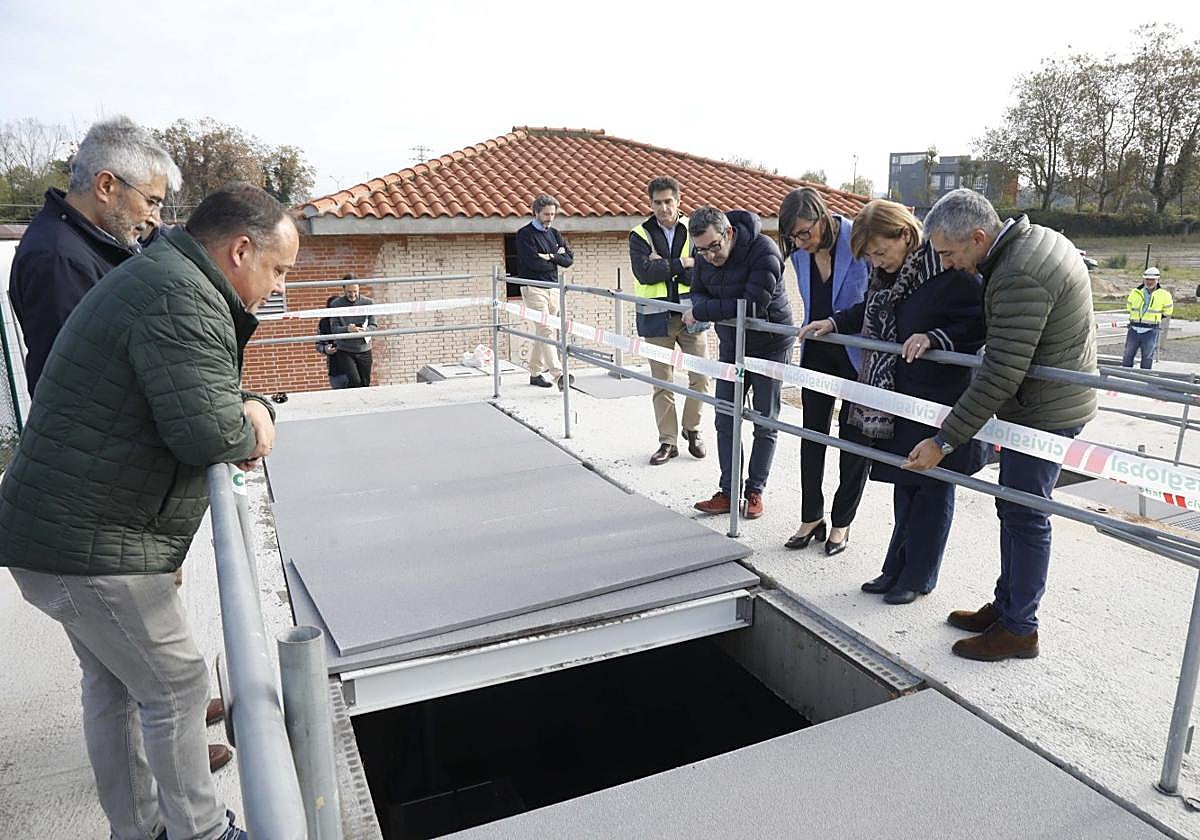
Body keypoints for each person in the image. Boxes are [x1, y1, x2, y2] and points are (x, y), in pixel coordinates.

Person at [0, 182, 299, 840]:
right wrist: (254, 423)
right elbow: (206, 430)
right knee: (177, 688)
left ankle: (140, 830)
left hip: (62, 532)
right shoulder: (181, 296)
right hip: (92, 542)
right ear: (240, 250)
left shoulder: (169, 279)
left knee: (113, 688)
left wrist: (245, 401)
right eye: (277, 270)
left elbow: (192, 384)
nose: (278, 287)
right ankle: (201, 832)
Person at [905, 188, 1098, 661]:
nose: (947, 264)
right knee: (1013, 510)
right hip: (1044, 405)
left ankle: (1019, 630)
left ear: (977, 237)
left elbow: (1002, 374)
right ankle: (1008, 606)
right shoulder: (1026, 246)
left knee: (1027, 516)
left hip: (1045, 414)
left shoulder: (1019, 272)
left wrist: (944, 441)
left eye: (950, 253)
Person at [800, 200, 988, 604]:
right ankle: (894, 568)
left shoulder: (950, 270)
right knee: (905, 484)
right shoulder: (890, 275)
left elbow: (977, 324)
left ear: (905, 235)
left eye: (880, 252)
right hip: (901, 396)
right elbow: (869, 309)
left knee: (931, 490)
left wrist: (936, 339)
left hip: (938, 399)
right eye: (869, 255)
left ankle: (918, 577)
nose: (875, 261)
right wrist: (833, 323)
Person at [8, 115, 180, 396]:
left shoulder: (92, 243)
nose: (155, 219)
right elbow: (75, 384)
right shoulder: (59, 259)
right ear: (106, 186)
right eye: (151, 201)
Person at [778, 187, 871, 556]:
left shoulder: (858, 240)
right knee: (811, 437)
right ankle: (811, 517)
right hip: (816, 349)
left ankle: (842, 523)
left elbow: (874, 302)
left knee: (853, 442)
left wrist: (835, 322)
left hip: (856, 354)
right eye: (793, 236)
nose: (801, 243)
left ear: (822, 217)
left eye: (805, 233)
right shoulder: (800, 254)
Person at [686, 206, 795, 519]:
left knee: (765, 421)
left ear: (729, 233)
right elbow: (697, 294)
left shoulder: (765, 251)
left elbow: (751, 308)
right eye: (701, 250)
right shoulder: (706, 256)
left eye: (714, 247)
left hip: (770, 347)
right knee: (725, 417)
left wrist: (705, 311)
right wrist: (707, 308)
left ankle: (754, 491)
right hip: (732, 344)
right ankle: (729, 491)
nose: (709, 256)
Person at [629, 176, 709, 465]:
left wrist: (664, 264)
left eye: (668, 201)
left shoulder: (695, 228)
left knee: (701, 377)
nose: (663, 207)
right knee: (662, 383)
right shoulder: (640, 234)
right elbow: (644, 273)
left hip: (692, 314)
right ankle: (668, 442)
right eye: (657, 202)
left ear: (678, 201)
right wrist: (682, 263)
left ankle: (692, 429)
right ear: (650, 204)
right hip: (655, 317)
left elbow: (703, 269)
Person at [515, 193, 573, 389]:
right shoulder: (525, 234)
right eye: (546, 214)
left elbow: (569, 260)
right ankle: (560, 376)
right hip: (533, 288)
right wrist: (556, 257)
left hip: (553, 288)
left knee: (545, 331)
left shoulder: (555, 233)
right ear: (536, 212)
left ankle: (534, 372)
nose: (550, 218)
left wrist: (549, 257)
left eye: (553, 214)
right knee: (546, 330)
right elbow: (533, 263)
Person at [328, 276, 376, 387]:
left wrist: (366, 330)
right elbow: (334, 329)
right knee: (355, 381)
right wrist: (347, 329)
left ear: (359, 289)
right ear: (343, 289)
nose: (352, 294)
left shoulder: (368, 303)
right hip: (345, 350)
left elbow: (373, 325)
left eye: (355, 291)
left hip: (364, 349)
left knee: (365, 383)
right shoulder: (336, 304)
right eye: (349, 291)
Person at [1123, 266, 1173, 369]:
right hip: (1134, 329)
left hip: (1151, 330)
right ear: (1144, 279)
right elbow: (1129, 307)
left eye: (1152, 280)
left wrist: (1155, 318)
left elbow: (1168, 311)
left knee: (1147, 357)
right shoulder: (1135, 292)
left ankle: (1144, 381)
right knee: (1128, 355)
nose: (1149, 282)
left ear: (1157, 280)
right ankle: (1124, 379)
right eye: (1147, 279)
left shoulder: (1164, 295)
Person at [317, 294, 350, 388]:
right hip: (335, 369)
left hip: (354, 367)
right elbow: (319, 344)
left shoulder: (350, 320)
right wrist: (326, 349)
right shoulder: (323, 323)